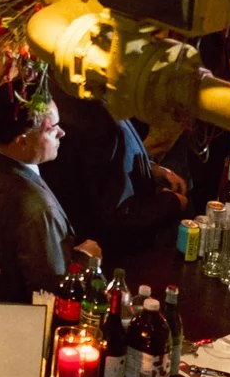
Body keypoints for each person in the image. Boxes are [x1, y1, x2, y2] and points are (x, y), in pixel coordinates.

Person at [0, 62, 98, 301]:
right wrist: (85, 259)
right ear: (22, 141)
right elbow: (52, 288)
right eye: (52, 129)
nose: (62, 133)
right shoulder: (37, 209)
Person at [36, 84, 190, 256]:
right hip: (120, 255)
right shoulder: (98, 124)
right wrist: (172, 203)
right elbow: (116, 217)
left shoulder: (76, 99)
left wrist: (152, 169)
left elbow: (109, 164)